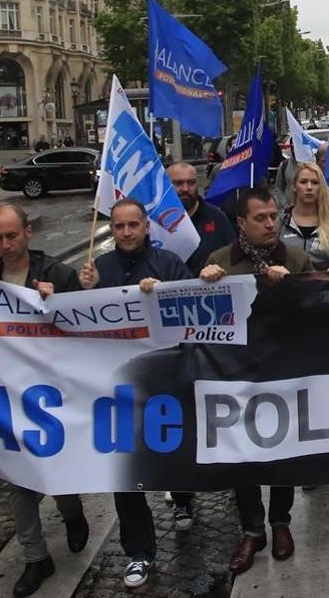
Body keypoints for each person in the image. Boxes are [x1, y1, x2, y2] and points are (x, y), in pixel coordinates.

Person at [198, 188, 320, 575]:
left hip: (284, 372)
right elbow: (200, 322)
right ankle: (252, 529)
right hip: (236, 376)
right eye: (261, 218)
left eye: (273, 216)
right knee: (242, 456)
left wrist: (295, 288)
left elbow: (318, 315)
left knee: (282, 451)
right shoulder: (220, 262)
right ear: (241, 224)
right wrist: (204, 283)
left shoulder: (296, 259)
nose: (270, 224)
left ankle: (279, 521)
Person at [78, 198, 193, 588]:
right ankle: (139, 552)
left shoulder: (169, 265)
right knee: (125, 470)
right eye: (119, 226)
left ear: (146, 227)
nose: (126, 232)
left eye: (133, 225)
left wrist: (166, 293)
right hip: (116, 387)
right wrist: (85, 291)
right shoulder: (101, 269)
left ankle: (182, 499)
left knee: (172, 453)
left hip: (163, 381)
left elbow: (192, 312)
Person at [0, 204, 88, 595]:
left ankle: (72, 512)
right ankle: (36, 556)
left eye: (12, 235)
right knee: (17, 477)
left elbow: (87, 332)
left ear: (28, 233)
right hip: (6, 398)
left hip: (52, 395)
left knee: (57, 469)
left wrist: (58, 304)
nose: (5, 245)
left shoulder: (58, 274)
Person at [167, 161, 237, 275]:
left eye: (191, 183)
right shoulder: (155, 222)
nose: (185, 188)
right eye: (178, 183)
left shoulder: (218, 218)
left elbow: (233, 258)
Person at [280, 161, 329, 270]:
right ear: (294, 186)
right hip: (286, 285)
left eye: (315, 182)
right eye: (303, 182)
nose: (309, 187)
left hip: (324, 285)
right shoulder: (280, 222)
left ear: (321, 187)